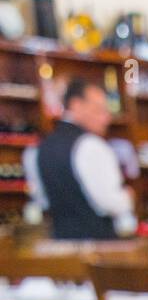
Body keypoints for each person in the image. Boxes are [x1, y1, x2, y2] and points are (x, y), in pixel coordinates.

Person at [27, 79, 134, 240]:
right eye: (99, 110)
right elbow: (111, 202)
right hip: (99, 249)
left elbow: (41, 200)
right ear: (76, 105)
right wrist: (127, 197)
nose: (106, 119)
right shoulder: (92, 145)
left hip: (59, 246)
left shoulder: (37, 149)